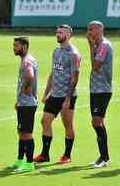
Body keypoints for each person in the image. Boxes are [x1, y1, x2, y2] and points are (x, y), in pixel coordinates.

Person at [33, 24, 81, 164]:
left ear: (68, 34)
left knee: (67, 125)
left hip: (67, 96)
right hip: (54, 95)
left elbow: (75, 78)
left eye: (60, 32)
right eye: (57, 32)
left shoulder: (74, 54)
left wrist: (67, 99)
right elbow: (53, 73)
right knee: (44, 121)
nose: (57, 34)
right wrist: (46, 93)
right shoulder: (56, 51)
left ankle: (67, 155)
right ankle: (45, 154)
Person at [86, 21, 113, 168]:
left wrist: (91, 47)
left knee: (96, 121)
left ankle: (105, 158)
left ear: (99, 30)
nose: (88, 32)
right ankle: (103, 157)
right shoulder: (99, 45)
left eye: (91, 29)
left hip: (102, 90)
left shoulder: (103, 46)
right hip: (96, 89)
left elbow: (95, 66)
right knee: (97, 122)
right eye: (88, 29)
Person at [11, 36, 38, 172]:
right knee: (21, 132)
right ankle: (19, 160)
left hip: (28, 104)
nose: (14, 48)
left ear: (24, 46)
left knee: (27, 134)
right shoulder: (26, 59)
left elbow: (30, 76)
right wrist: (19, 100)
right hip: (24, 103)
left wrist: (24, 89)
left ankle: (29, 163)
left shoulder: (27, 61)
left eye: (16, 46)